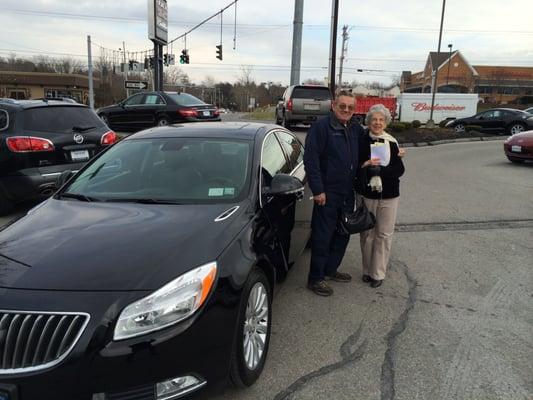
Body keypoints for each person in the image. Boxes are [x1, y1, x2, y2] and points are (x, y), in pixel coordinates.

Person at [303, 90, 364, 296]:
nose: (346, 110)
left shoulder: (355, 128)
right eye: (342, 106)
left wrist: (393, 150)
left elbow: (372, 145)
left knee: (343, 233)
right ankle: (316, 278)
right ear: (333, 106)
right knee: (323, 235)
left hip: (347, 192)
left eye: (350, 107)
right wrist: (318, 190)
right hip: (327, 193)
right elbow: (311, 161)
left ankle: (330, 270)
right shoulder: (321, 128)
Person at [357, 104, 405, 288]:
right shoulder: (362, 140)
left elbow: (399, 169)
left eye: (381, 120)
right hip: (368, 193)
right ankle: (367, 271)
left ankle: (378, 273)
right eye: (374, 119)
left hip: (389, 194)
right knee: (367, 233)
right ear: (369, 121)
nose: (377, 123)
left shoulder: (391, 142)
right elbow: (355, 165)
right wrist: (366, 165)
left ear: (386, 122)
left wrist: (381, 170)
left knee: (383, 234)